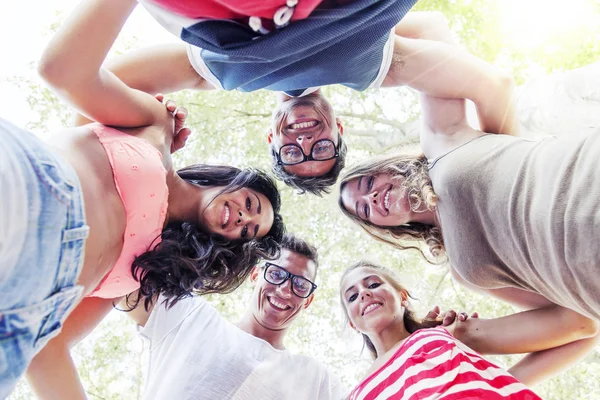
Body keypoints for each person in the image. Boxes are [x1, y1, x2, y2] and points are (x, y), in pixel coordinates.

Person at [0, 0, 285, 397]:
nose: (242, 219)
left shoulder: (144, 271)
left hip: (23, 307)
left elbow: (49, 345)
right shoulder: (156, 127)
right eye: (251, 206)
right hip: (29, 190)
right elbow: (64, 71)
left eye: (248, 231)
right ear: (231, 180)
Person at [88, 5, 517, 195]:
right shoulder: (383, 66)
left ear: (270, 136)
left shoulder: (217, 74)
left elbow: (102, 83)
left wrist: (156, 135)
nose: (306, 139)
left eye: (292, 152)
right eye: (322, 149)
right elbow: (493, 85)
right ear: (339, 130)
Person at [122, 233, 347, 400]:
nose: (285, 290)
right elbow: (119, 279)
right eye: (277, 274)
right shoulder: (192, 318)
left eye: (300, 284)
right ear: (255, 275)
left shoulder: (316, 379)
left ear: (307, 300)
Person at [340, 261, 600, 399]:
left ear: (402, 296)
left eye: (373, 284)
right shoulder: (354, 395)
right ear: (352, 323)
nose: (363, 294)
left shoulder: (447, 335)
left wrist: (487, 379)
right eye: (351, 297)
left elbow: (583, 321)